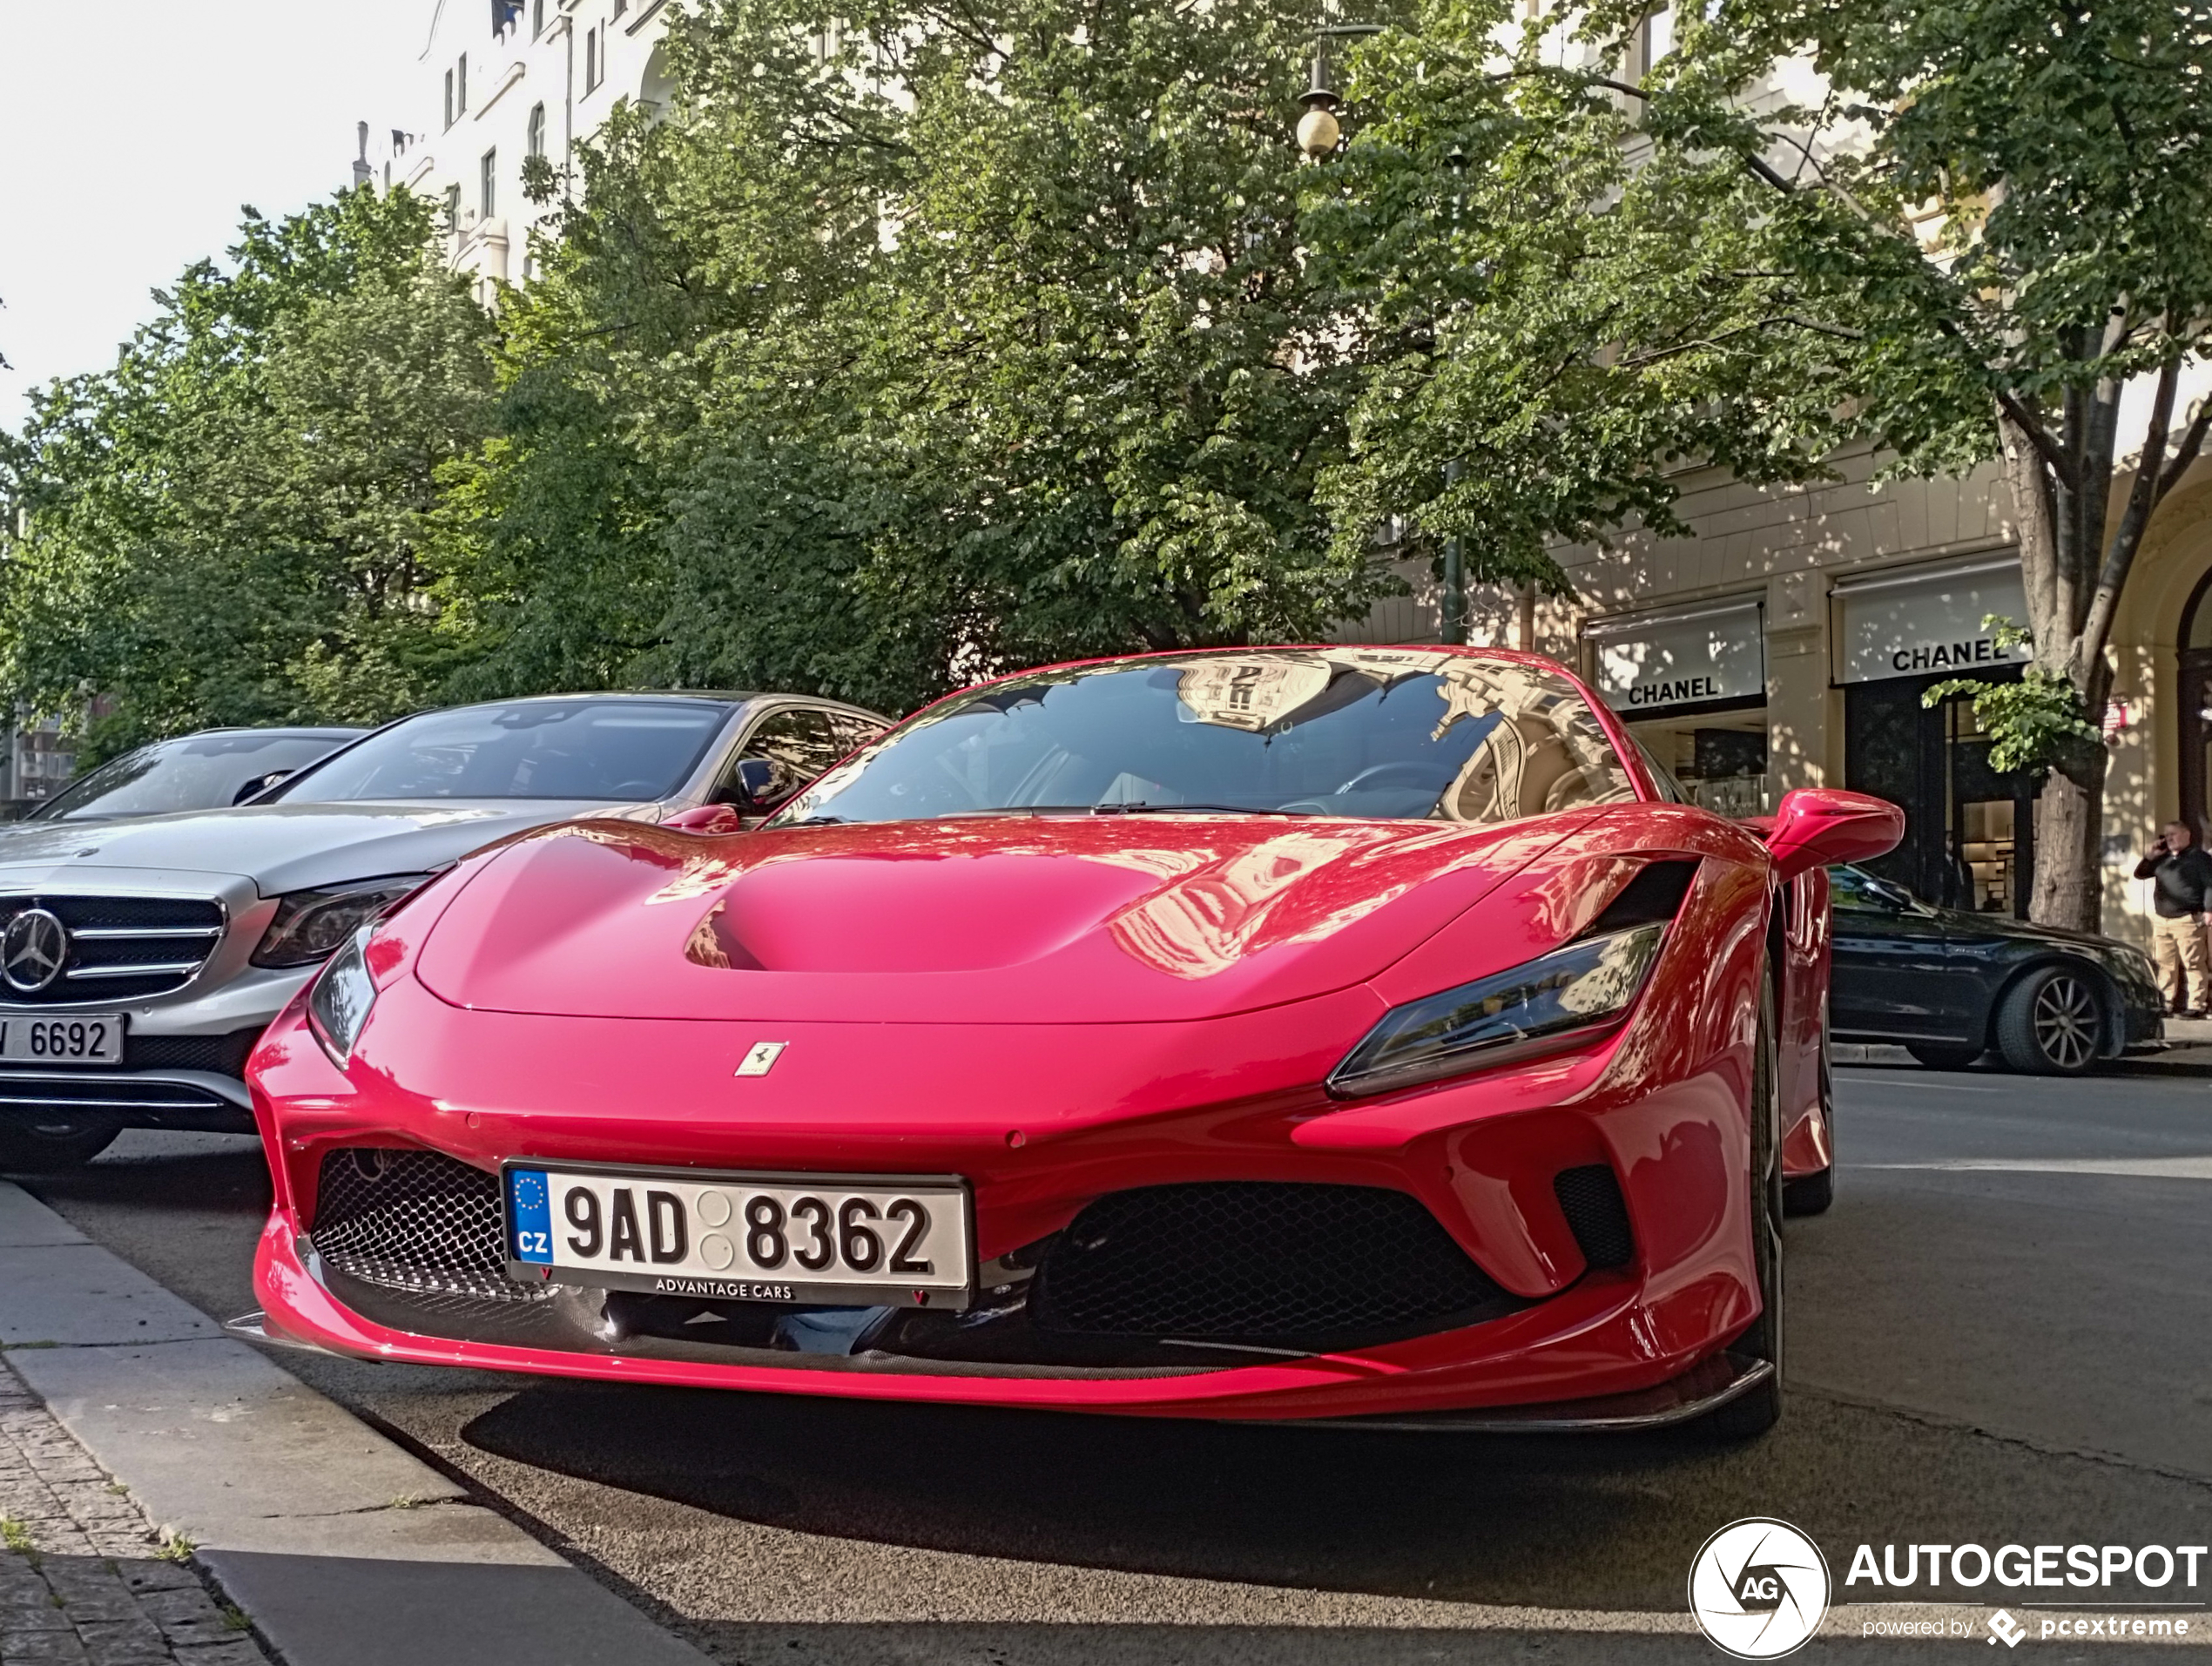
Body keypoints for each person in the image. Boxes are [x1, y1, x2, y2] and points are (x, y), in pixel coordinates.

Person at [2133, 820, 2212, 1017]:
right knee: (2164, 963)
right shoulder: (2162, 858)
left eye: (2173, 834)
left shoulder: (2199, 858)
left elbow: (2210, 885)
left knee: (2193, 963)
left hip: (2188, 919)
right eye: (2167, 835)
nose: (2169, 839)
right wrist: (2149, 856)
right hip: (2162, 919)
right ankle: (2166, 1002)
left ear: (2186, 835)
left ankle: (2196, 1005)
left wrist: (2209, 910)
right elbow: (2140, 874)